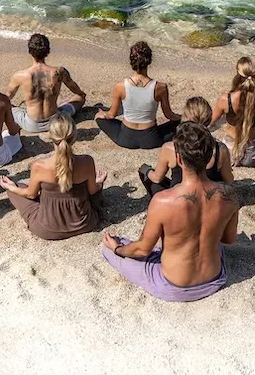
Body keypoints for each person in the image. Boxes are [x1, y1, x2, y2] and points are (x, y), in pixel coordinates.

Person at [102, 122, 239, 302]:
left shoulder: (163, 201)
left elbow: (143, 249)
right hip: (214, 279)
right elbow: (228, 239)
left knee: (109, 248)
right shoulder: (229, 196)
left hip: (173, 285)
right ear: (208, 158)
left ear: (180, 160)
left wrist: (118, 249)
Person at [0, 114, 106, 240]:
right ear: (74, 136)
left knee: (18, 188)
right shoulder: (87, 161)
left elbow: (30, 195)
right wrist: (99, 183)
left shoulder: (39, 166)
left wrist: (12, 188)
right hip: (84, 224)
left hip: (48, 229)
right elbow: (92, 191)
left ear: (51, 136)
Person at [139, 96, 233, 196]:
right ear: (209, 119)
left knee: (146, 174)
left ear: (185, 118)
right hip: (208, 199)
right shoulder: (220, 149)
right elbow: (229, 180)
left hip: (180, 200)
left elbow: (157, 178)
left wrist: (146, 170)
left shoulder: (170, 148)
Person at [94, 41, 181, 149]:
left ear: (131, 61)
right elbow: (169, 115)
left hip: (126, 138)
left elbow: (112, 114)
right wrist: (180, 118)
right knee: (181, 123)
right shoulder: (160, 87)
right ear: (149, 61)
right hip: (151, 139)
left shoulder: (120, 86)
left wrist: (102, 114)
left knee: (98, 117)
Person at [7, 33, 87, 133]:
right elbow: (76, 90)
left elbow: (6, 98)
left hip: (31, 125)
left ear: (30, 51)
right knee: (81, 97)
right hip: (55, 122)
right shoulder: (59, 72)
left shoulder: (20, 76)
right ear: (48, 52)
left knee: (7, 106)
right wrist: (80, 94)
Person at [211, 57, 255, 167]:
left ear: (237, 75)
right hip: (253, 157)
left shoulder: (226, 99)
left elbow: (210, 122)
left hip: (228, 156)